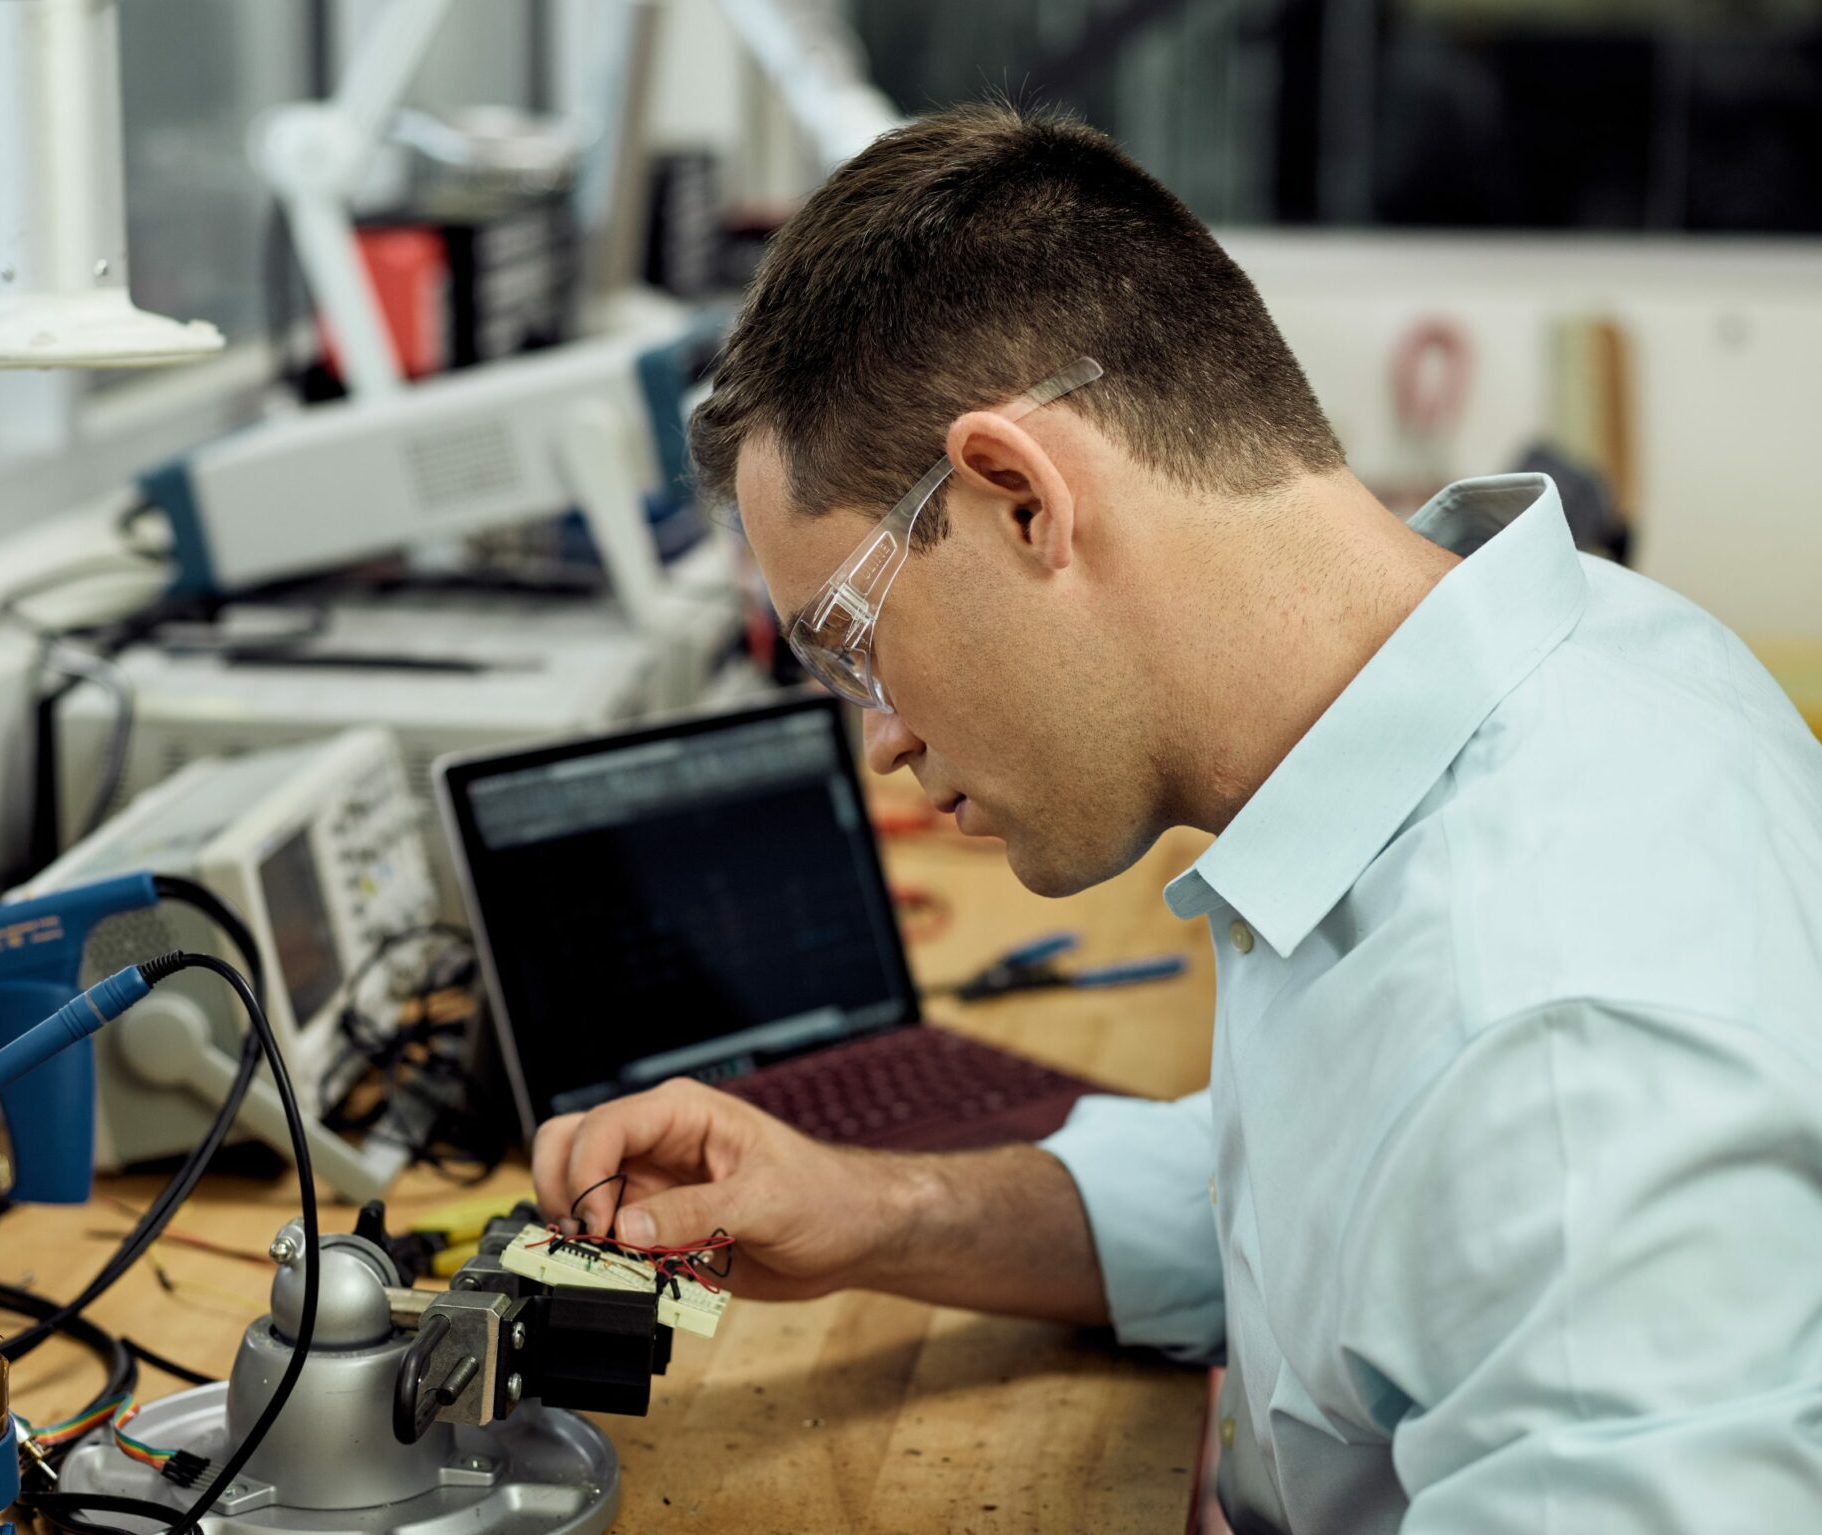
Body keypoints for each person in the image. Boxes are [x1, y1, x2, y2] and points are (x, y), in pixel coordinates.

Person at [531, 103, 1822, 1532]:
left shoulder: (1551, 1054)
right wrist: (870, 1210)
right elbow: (1334, 1217)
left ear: (1021, 497)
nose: (882, 736)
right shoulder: (1548, 674)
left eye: (850, 642)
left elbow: (1480, 1164)